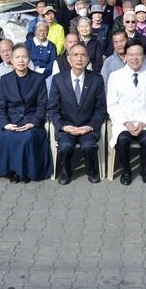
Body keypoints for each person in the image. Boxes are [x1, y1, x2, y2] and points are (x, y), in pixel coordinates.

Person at [47, 43, 108, 185]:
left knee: (88, 146)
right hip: (66, 126)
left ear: (88, 59)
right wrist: (62, 126)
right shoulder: (58, 79)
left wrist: (91, 126)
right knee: (65, 146)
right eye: (75, 55)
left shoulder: (96, 79)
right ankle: (65, 171)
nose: (79, 58)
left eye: (83, 55)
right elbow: (52, 108)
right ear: (69, 59)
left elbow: (101, 108)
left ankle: (91, 169)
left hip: (87, 126)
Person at [0, 43, 53, 183]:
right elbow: (1, 107)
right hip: (11, 118)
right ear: (12, 60)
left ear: (29, 59)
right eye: (17, 57)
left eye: (24, 57)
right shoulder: (5, 79)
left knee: (27, 137)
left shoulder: (38, 78)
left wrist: (33, 123)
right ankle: (12, 171)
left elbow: (42, 105)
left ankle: (26, 171)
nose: (21, 61)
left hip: (31, 119)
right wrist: (6, 123)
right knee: (7, 135)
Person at [106, 41, 146, 185]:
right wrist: (126, 122)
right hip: (124, 122)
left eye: (138, 54)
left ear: (144, 57)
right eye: (131, 55)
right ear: (125, 56)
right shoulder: (115, 76)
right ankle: (126, 170)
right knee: (122, 140)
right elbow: (111, 105)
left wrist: (145, 122)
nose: (134, 58)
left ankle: (145, 170)